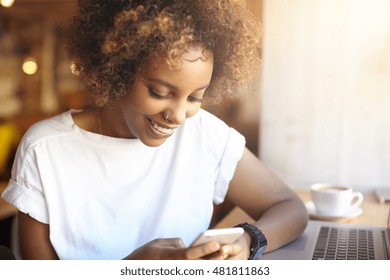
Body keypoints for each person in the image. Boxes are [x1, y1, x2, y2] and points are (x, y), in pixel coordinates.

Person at [1, 0, 308, 260]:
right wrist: (134, 268)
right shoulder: (46, 149)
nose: (177, 116)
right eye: (160, 93)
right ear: (116, 70)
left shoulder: (204, 135)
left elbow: (290, 208)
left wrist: (248, 239)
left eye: (195, 97)